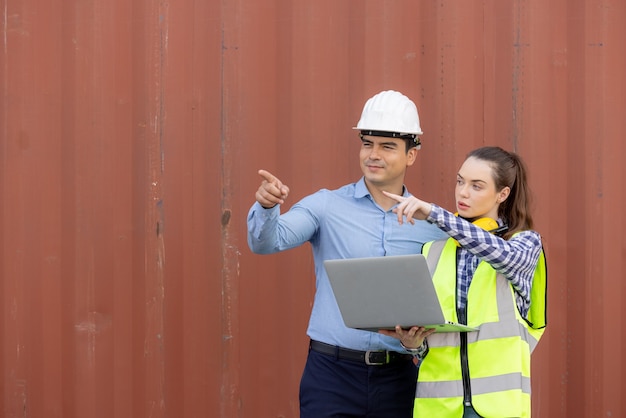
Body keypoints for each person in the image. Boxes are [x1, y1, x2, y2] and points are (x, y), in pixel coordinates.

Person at [247, 90, 448, 417]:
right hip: (331, 376)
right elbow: (267, 242)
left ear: (411, 155)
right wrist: (268, 206)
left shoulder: (433, 226)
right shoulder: (325, 206)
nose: (374, 154)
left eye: (388, 146)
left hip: (401, 378)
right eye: (368, 143)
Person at [380, 146, 548, 418]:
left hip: (497, 410)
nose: (463, 192)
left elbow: (500, 255)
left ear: (502, 194)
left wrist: (435, 214)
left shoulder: (524, 244)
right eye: (460, 181)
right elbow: (430, 346)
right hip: (438, 409)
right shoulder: (431, 252)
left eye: (477, 186)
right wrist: (413, 344)